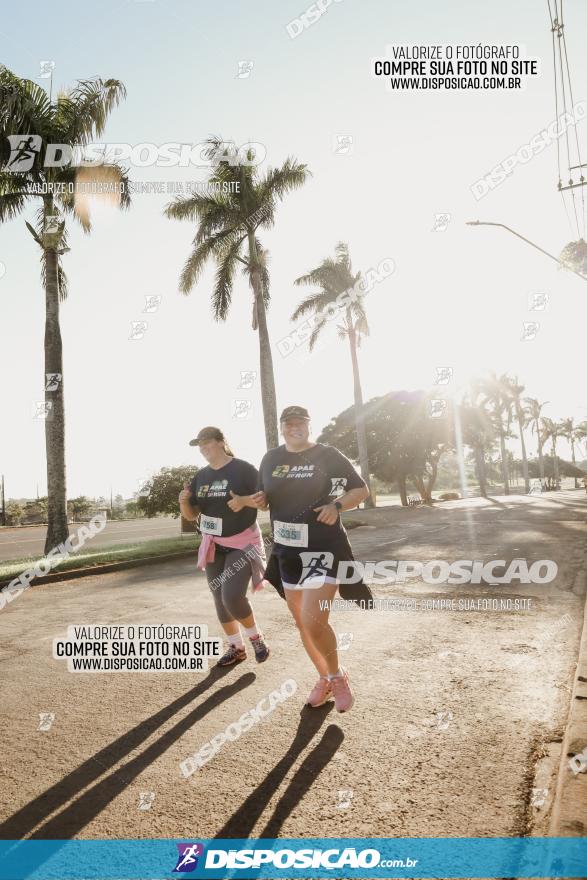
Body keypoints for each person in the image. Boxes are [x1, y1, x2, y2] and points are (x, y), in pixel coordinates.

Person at [252, 406, 370, 713]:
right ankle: (325, 678)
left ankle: (338, 677)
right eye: (289, 424)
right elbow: (266, 496)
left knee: (313, 620)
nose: (295, 428)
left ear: (308, 425)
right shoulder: (271, 459)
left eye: (300, 423)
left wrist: (338, 505)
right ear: (282, 428)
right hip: (287, 551)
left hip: (323, 547)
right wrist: (261, 500)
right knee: (302, 625)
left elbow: (361, 489)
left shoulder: (328, 455)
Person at [179, 426, 270, 667]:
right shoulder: (201, 476)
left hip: (242, 542)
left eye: (207, 442)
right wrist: (183, 502)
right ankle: (236, 647)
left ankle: (256, 637)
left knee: (231, 597)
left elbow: (265, 503)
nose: (203, 448)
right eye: (199, 445)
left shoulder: (243, 470)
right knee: (219, 599)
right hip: (213, 544)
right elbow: (191, 516)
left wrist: (244, 501)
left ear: (221, 442)